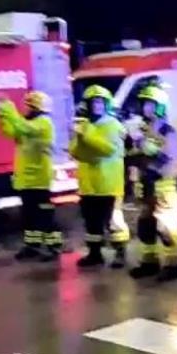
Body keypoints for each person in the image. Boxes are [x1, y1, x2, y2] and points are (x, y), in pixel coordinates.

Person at [0, 90, 62, 261]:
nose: (25, 109)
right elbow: (10, 131)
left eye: (28, 106)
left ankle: (53, 247)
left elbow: (21, 127)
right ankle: (33, 246)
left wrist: (8, 107)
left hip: (40, 179)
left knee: (44, 216)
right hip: (26, 179)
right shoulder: (29, 123)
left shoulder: (44, 123)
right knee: (29, 216)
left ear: (36, 107)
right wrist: (2, 115)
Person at [126, 84, 177, 282]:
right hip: (145, 185)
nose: (146, 108)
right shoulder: (140, 129)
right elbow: (133, 155)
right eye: (144, 104)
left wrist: (150, 148)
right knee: (145, 226)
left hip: (163, 186)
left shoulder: (168, 131)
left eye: (151, 104)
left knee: (167, 229)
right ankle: (149, 262)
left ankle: (172, 266)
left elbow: (171, 159)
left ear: (160, 106)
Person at [70, 85, 129, 268]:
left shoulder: (113, 125)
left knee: (113, 222)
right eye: (93, 101)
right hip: (89, 185)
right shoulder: (85, 125)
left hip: (109, 184)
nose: (97, 105)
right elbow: (75, 152)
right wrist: (81, 138)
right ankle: (95, 253)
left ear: (106, 104)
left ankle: (120, 252)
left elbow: (107, 149)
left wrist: (85, 134)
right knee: (91, 223)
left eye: (100, 101)